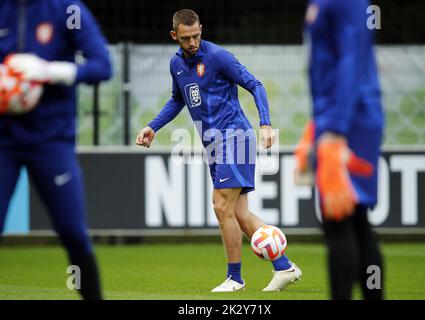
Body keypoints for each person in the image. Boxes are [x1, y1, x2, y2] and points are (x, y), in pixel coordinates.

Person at [136, 9, 302, 292]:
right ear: (174, 35)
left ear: (202, 28)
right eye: (186, 38)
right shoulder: (176, 65)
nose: (193, 43)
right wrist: (153, 126)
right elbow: (178, 100)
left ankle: (235, 278)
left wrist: (265, 123)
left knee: (220, 204)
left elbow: (255, 85)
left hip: (235, 138)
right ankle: (284, 266)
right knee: (238, 214)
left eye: (197, 35)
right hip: (213, 145)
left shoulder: (217, 57)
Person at [0, 0, 112, 300]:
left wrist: (49, 71)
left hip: (52, 141)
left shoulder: (68, 10)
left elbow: (102, 66)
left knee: (73, 233)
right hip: (3, 142)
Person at [294, 0, 384, 299]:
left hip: (349, 118)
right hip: (338, 116)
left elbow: (352, 59)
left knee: (338, 218)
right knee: (355, 219)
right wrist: (318, 125)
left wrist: (335, 128)